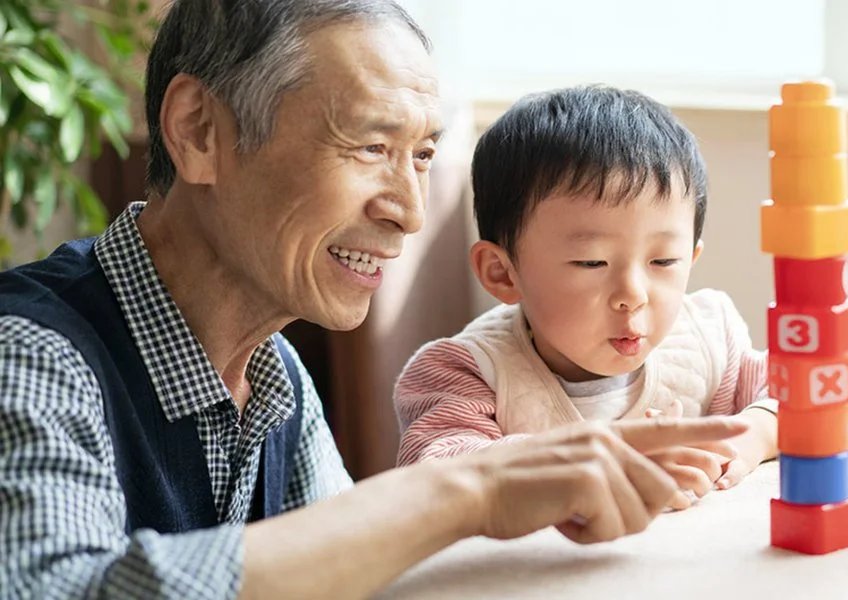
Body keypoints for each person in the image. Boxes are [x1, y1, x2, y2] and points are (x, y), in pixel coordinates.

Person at [0, 2, 750, 599]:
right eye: (369, 146)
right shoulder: (28, 355)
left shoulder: (275, 376)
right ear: (200, 131)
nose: (411, 211)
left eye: (422, 155)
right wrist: (466, 487)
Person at [394, 85, 779, 509]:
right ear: (502, 272)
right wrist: (607, 457)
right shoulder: (465, 370)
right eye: (592, 263)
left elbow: (812, 397)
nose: (633, 296)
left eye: (665, 261)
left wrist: (751, 436)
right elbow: (433, 475)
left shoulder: (709, 338)